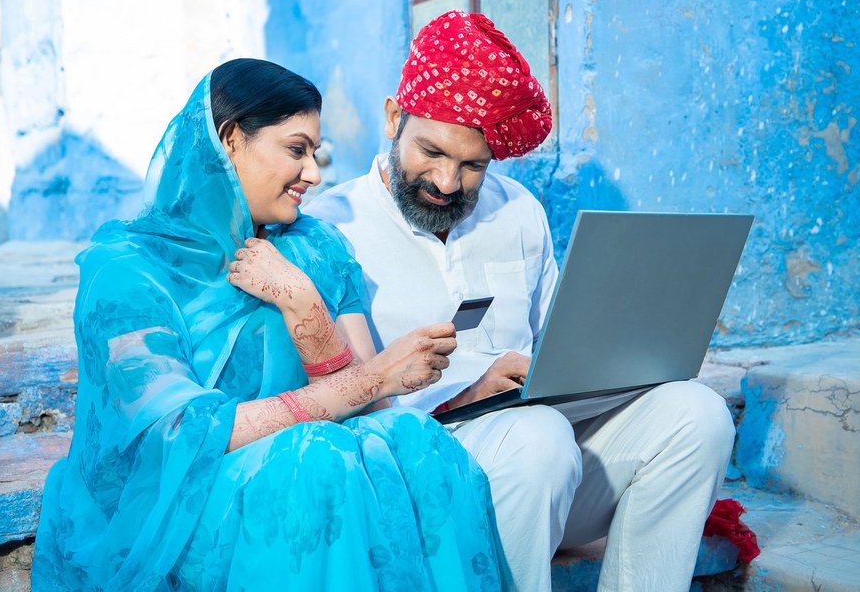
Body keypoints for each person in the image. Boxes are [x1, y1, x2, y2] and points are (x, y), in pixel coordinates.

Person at [31, 58, 508, 591]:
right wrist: (374, 377)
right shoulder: (129, 270)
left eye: (315, 153)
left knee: (410, 439)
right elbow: (177, 434)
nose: (314, 174)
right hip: (181, 500)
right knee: (319, 463)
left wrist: (303, 303)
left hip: (315, 472)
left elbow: (369, 412)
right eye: (296, 150)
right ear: (230, 140)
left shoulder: (317, 247)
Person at [306, 11, 736, 592]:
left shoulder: (519, 211)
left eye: (472, 165)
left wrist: (613, 367)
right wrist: (466, 397)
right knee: (538, 439)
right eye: (431, 151)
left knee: (698, 413)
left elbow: (558, 343)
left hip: (548, 469)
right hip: (419, 479)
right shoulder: (331, 228)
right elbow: (335, 406)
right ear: (392, 118)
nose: (448, 182)